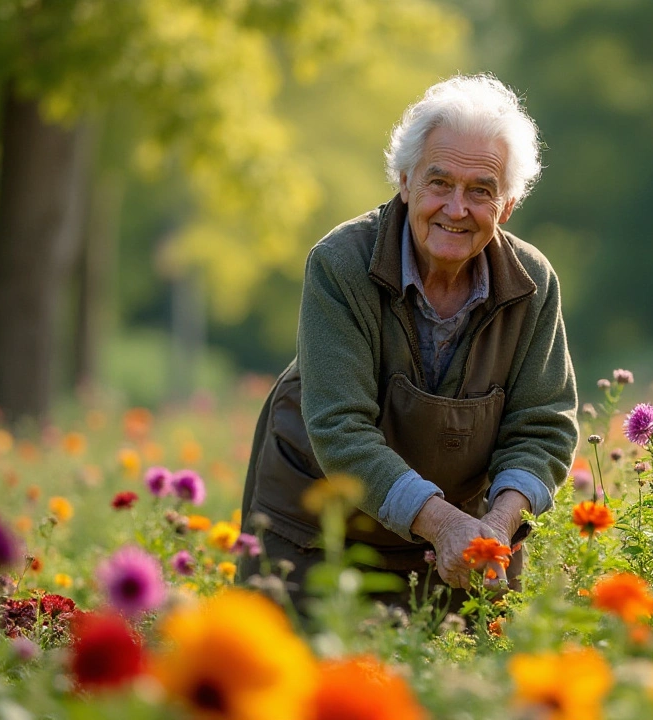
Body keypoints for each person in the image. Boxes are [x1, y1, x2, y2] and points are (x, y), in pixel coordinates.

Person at [237, 74, 578, 612]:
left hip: (463, 541)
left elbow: (544, 428)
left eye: (481, 191)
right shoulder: (341, 264)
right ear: (404, 181)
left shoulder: (532, 284)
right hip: (317, 534)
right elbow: (340, 428)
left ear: (508, 205)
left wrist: (494, 527)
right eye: (439, 183)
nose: (456, 208)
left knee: (467, 688)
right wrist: (442, 524)